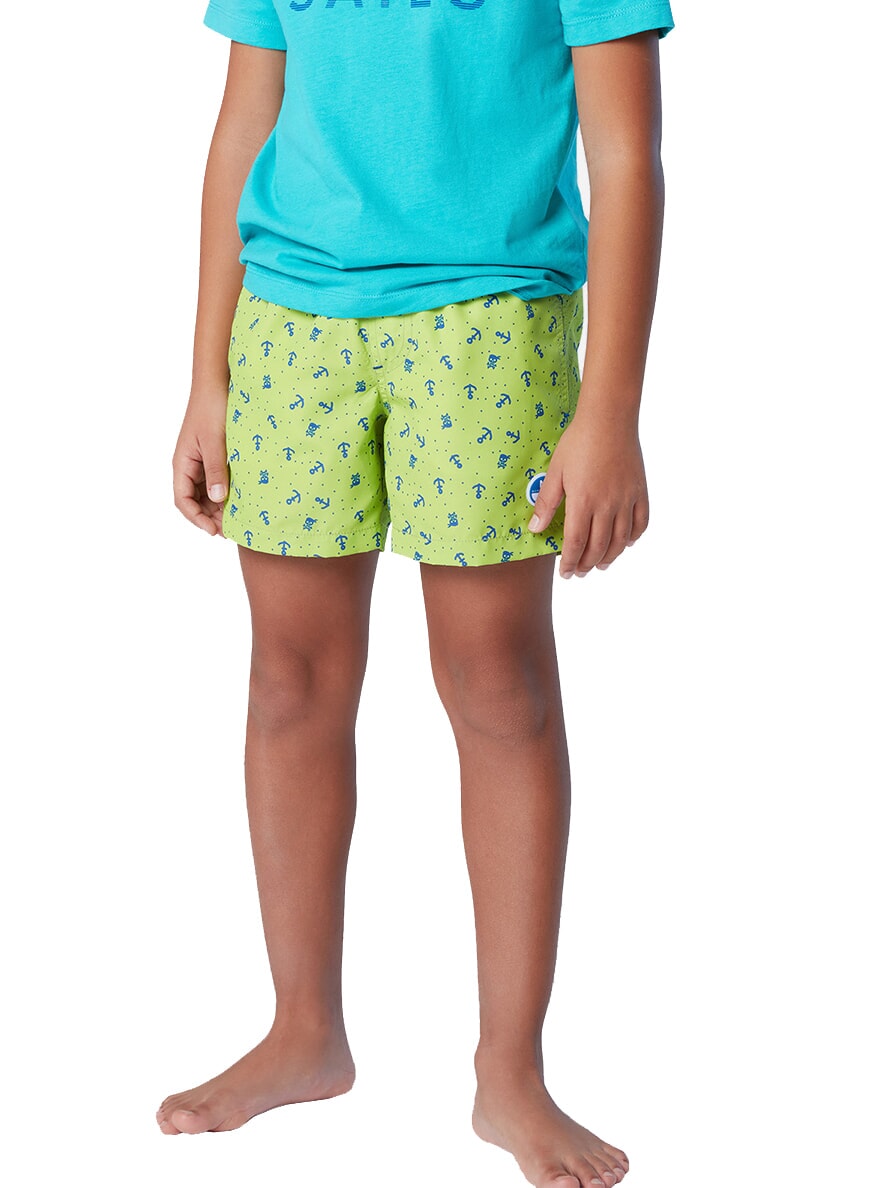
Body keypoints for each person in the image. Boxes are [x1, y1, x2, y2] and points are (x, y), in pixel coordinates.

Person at [158, 3, 676, 1186]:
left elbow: (624, 153)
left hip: (489, 318)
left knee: (497, 685)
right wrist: (205, 374)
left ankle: (510, 1071)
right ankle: (303, 1030)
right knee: (288, 681)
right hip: (289, 318)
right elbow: (244, 118)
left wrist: (609, 411)